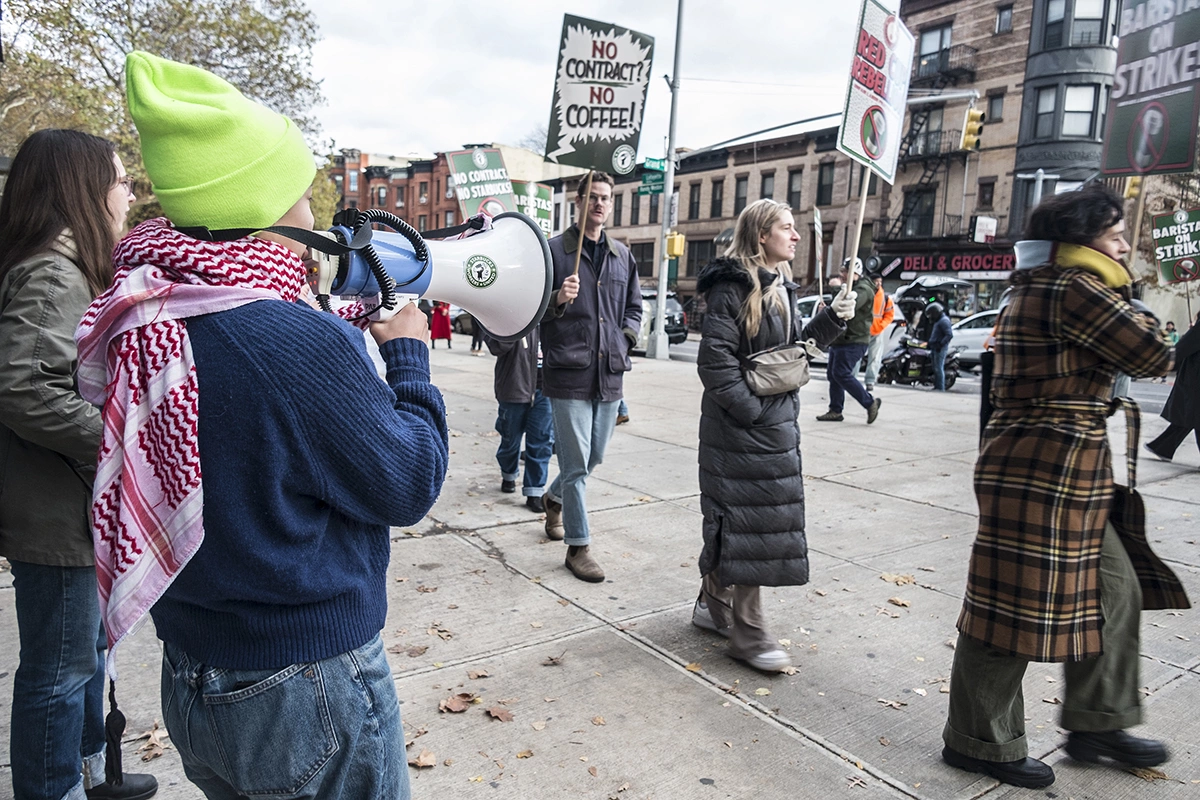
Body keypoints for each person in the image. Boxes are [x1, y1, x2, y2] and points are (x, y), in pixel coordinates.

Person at [74, 52, 448, 799]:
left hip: (194, 673)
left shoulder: (147, 309)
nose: (314, 212)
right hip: (304, 682)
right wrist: (408, 356)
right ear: (269, 207)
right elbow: (408, 480)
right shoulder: (285, 340)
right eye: (301, 194)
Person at [942, 184, 1176, 789]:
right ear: (1082, 241)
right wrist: (1123, 279)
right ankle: (978, 741)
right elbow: (1153, 350)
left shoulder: (1052, 283)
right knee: (1010, 605)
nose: (1125, 245)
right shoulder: (1073, 287)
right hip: (1042, 469)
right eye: (1115, 235)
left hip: (1063, 467)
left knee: (1115, 592)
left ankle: (1099, 721)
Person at [0, 131, 158, 800]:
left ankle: (91, 765)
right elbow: (23, 386)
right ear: (81, 188)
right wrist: (116, 442)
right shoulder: (51, 271)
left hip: (71, 506)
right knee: (58, 672)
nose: (127, 194)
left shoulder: (66, 265)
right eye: (119, 181)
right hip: (55, 514)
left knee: (84, 656)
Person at [691, 199, 854, 672]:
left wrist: (834, 320)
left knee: (744, 521)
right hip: (742, 431)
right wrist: (754, 413)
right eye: (787, 227)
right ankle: (749, 633)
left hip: (772, 426)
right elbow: (715, 363)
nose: (796, 235)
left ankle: (711, 604)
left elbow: (794, 352)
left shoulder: (781, 286)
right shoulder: (732, 286)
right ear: (762, 234)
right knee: (749, 525)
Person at [540, 171, 642, 582]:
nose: (599, 204)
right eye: (593, 197)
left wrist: (626, 338)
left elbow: (634, 306)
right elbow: (532, 310)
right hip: (567, 373)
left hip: (609, 373)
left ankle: (553, 497)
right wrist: (557, 300)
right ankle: (578, 546)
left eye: (606, 198)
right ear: (578, 202)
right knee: (578, 463)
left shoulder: (622, 255)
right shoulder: (553, 252)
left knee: (592, 457)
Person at [487, 327, 554, 514]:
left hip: (546, 389)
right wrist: (515, 325)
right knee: (510, 440)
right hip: (514, 387)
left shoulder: (554, 312)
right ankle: (508, 473)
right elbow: (495, 346)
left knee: (541, 441)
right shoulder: (509, 314)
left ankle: (535, 491)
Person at [816, 259, 881, 423]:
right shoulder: (851, 288)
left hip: (854, 339)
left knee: (841, 373)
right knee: (833, 374)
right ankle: (835, 410)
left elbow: (848, 305)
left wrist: (836, 288)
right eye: (842, 271)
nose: (842, 275)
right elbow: (838, 307)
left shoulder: (864, 289)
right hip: (841, 339)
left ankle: (869, 402)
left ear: (855, 273)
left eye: (845, 271)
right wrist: (828, 307)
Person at [1146, 320, 1200, 462]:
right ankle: (1163, 447)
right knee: (1190, 414)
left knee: (1191, 413)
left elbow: (1183, 348)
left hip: (1195, 378)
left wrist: (1165, 362)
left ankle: (1163, 447)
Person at [863, 269, 894, 391]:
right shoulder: (865, 292)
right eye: (876, 281)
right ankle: (853, 379)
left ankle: (870, 381)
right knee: (857, 356)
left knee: (875, 357)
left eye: (880, 282)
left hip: (876, 330)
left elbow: (889, 314)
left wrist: (881, 325)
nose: (879, 284)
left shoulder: (885, 297)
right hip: (864, 329)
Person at [925, 302, 953, 391]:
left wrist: (940, 344)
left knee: (938, 368)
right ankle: (937, 386)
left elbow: (949, 335)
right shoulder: (939, 321)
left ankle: (940, 388)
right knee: (935, 368)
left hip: (939, 348)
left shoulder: (944, 321)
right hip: (935, 347)